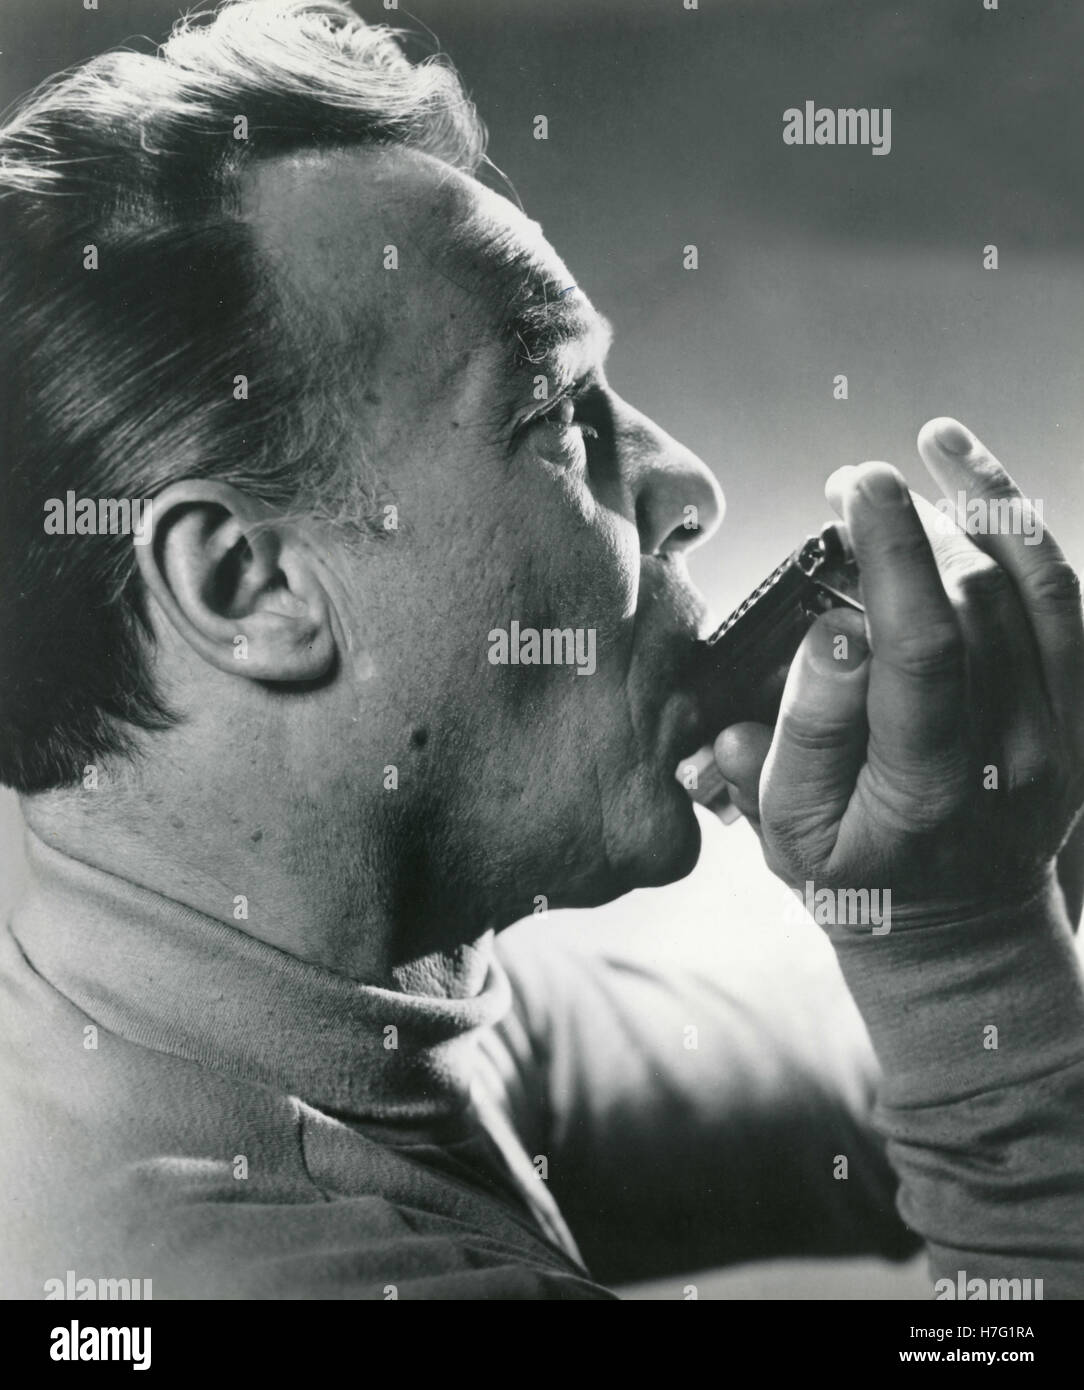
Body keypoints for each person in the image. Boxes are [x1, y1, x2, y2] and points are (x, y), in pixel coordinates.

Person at [1, 0, 1081, 1300]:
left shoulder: (307, 974)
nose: (688, 486)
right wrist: (968, 952)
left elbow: (839, 1096)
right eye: (557, 410)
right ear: (250, 586)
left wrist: (987, 869)